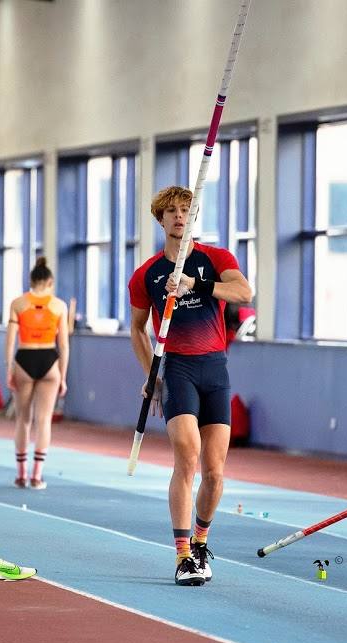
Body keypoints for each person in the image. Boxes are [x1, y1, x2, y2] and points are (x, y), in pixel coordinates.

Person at [128, 185, 252, 586]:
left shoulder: (215, 258)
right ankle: (183, 557)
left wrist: (194, 285)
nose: (180, 216)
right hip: (178, 370)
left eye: (186, 210)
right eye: (172, 212)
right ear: (160, 220)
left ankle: (200, 542)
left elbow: (244, 292)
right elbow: (136, 329)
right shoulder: (146, 274)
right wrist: (152, 376)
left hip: (215, 369)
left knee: (215, 473)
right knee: (188, 456)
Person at [5, 257, 69, 489]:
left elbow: (10, 340)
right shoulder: (59, 305)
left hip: (25, 358)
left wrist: (9, 368)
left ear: (31, 281)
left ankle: (21, 475)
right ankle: (37, 476)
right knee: (43, 421)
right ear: (50, 282)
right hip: (48, 360)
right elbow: (63, 345)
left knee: (23, 419)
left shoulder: (18, 304)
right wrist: (63, 375)